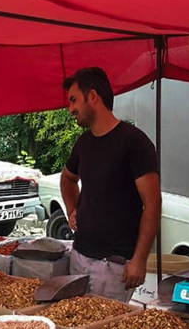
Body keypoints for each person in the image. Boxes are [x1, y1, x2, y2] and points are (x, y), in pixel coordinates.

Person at [61, 67, 162, 303]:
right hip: (79, 257)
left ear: (93, 97)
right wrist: (72, 210)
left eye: (74, 100)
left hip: (114, 266)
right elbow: (67, 178)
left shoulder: (134, 142)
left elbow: (153, 204)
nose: (71, 109)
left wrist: (139, 259)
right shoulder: (84, 143)